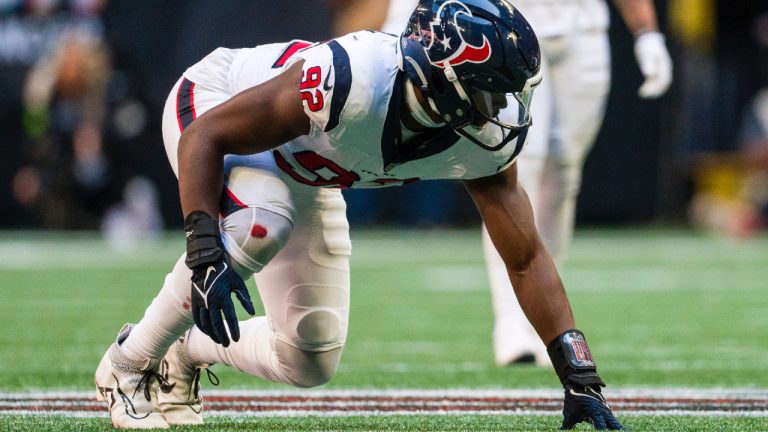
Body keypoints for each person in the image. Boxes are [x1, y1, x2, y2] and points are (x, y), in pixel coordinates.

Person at [94, 1, 624, 429]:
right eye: (491, 91)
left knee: (307, 354)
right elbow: (206, 136)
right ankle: (126, 364)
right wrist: (204, 249)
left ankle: (185, 350)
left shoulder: (484, 140)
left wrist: (578, 373)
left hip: (302, 163)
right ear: (442, 81)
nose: (503, 107)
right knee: (261, 223)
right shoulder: (352, 82)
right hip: (214, 106)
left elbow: (527, 258)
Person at [381, 0, 673, 366]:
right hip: (506, 24)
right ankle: (510, 323)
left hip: (583, 26)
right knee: (519, 166)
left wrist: (646, 32)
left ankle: (548, 319)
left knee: (565, 171)